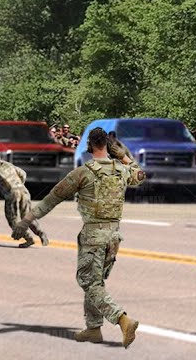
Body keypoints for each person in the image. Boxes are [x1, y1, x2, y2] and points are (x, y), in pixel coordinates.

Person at [16, 128, 144, 347]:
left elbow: (52, 198)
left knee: (88, 281)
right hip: (114, 235)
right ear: (108, 146)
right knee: (96, 282)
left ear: (89, 146)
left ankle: (122, 319)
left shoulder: (83, 173)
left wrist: (26, 220)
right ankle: (94, 329)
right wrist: (124, 156)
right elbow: (140, 176)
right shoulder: (122, 170)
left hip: (93, 235)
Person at [0, 151, 48, 248]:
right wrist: (19, 184)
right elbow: (23, 174)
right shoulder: (8, 165)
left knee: (13, 219)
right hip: (24, 191)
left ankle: (29, 239)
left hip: (12, 194)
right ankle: (41, 233)